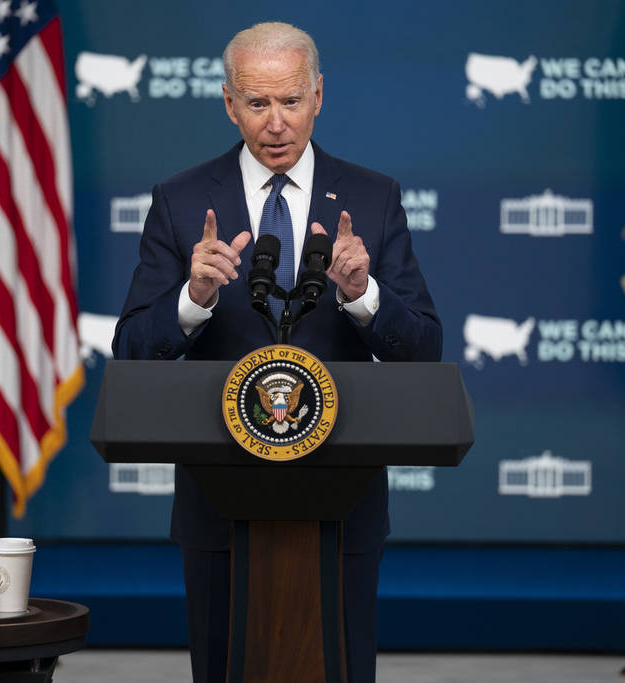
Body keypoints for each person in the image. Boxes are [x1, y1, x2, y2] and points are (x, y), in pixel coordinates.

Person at [112, 22, 441, 683]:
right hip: (219, 498)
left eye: (291, 101)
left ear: (318, 95)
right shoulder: (180, 202)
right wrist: (193, 297)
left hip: (341, 501)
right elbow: (132, 349)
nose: (276, 123)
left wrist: (363, 292)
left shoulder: (374, 198)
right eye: (257, 104)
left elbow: (424, 345)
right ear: (229, 103)